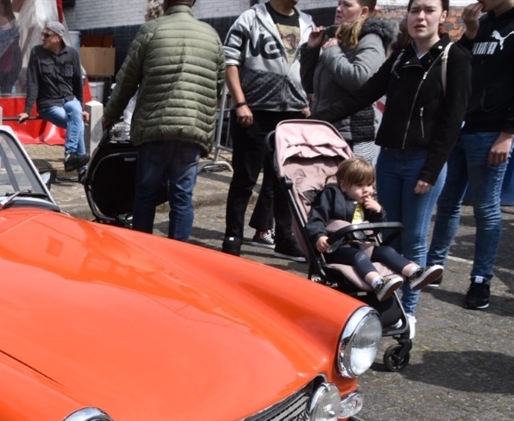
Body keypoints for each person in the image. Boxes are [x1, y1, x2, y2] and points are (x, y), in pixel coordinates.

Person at [313, 0, 471, 331]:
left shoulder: (453, 58)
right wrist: (318, 119)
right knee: (386, 235)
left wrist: (430, 170)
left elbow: (452, 121)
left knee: (413, 237)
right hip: (389, 158)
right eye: (415, 10)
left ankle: (407, 314)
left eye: (429, 10)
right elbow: (363, 95)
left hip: (422, 162)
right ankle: (387, 304)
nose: (420, 17)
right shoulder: (400, 56)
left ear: (444, 15)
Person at [101, 0, 224, 241]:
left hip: (155, 126)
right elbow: (217, 87)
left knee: (146, 193)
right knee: (182, 195)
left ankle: (142, 249)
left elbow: (127, 80)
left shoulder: (151, 31)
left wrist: (110, 115)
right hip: (192, 128)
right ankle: (178, 254)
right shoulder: (211, 35)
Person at [426, 0, 513, 310]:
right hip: (461, 127)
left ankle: (480, 279)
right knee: (448, 201)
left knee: (486, 209)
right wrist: (471, 33)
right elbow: (459, 65)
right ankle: (434, 266)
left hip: (491, 131)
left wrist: (508, 134)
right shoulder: (484, 23)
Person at [221, 0, 312, 261]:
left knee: (285, 181)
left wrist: (308, 101)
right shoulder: (250, 18)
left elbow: (310, 66)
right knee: (244, 179)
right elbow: (230, 61)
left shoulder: (307, 22)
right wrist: (240, 102)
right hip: (254, 111)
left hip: (292, 112)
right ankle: (233, 237)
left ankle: (284, 238)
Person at [306, 157, 444, 300]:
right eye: (360, 185)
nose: (366, 190)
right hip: (337, 249)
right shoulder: (331, 195)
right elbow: (316, 219)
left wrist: (378, 211)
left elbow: (376, 229)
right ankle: (377, 283)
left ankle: (415, 273)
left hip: (362, 245)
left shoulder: (367, 203)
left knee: (387, 251)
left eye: (369, 185)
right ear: (344, 185)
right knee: (357, 255)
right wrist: (319, 236)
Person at [300, 0, 396, 165]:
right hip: (326, 128)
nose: (338, 9)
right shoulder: (336, 39)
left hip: (352, 135)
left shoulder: (370, 38)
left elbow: (361, 80)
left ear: (363, 11)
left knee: (349, 181)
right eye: (339, 3)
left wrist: (332, 52)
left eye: (347, 5)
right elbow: (309, 86)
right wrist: (312, 49)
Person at [17, 22, 88, 172]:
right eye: (42, 34)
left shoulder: (72, 54)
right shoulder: (36, 53)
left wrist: (81, 107)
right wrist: (27, 110)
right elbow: (33, 82)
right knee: (77, 124)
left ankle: (71, 156)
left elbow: (77, 83)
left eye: (47, 35)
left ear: (58, 38)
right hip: (49, 103)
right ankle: (81, 168)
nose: (42, 38)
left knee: (76, 114)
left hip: (69, 99)